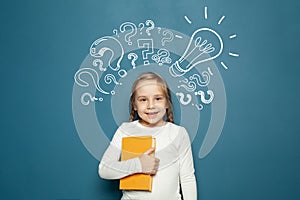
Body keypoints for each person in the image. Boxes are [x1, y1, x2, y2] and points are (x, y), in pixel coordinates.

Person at [98, 72, 197, 200]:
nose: (151, 105)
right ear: (134, 105)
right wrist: (138, 165)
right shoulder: (125, 130)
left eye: (158, 98)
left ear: (167, 103)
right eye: (143, 100)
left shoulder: (178, 133)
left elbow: (187, 177)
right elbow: (104, 170)